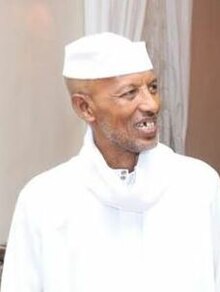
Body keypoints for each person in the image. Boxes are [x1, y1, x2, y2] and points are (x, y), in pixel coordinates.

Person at [1, 32, 220, 292]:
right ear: (85, 108)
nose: (151, 104)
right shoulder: (45, 200)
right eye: (129, 93)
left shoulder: (199, 185)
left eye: (152, 87)